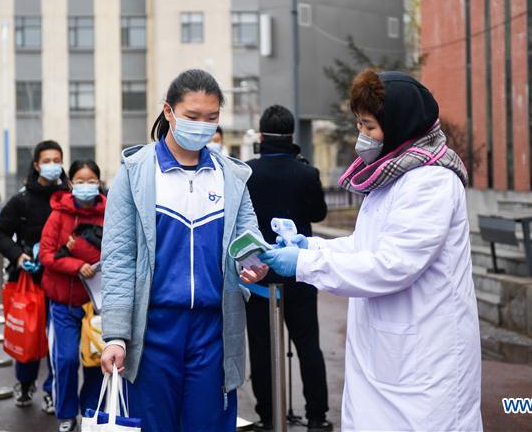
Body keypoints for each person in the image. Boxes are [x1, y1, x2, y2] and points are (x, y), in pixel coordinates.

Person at [254, 70, 482, 431]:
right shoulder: (391, 178)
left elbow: (392, 265)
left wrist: (305, 263)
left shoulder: (430, 181)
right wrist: (308, 244)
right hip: (388, 355)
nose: (363, 135)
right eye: (359, 124)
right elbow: (366, 247)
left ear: (400, 125)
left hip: (425, 362)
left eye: (370, 126)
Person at [100, 69, 259, 432]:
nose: (202, 126)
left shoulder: (232, 177)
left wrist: (253, 267)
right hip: (153, 330)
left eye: (211, 118)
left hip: (213, 329)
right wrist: (115, 335)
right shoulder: (136, 172)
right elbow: (119, 258)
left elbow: (249, 244)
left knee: (208, 425)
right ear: (168, 112)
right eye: (192, 116)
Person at [243, 105, 331, 432]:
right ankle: (317, 417)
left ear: (262, 136)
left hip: (258, 273)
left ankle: (269, 416)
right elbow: (319, 214)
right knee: (308, 346)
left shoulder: (248, 172)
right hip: (299, 271)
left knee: (263, 350)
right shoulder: (306, 173)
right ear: (292, 136)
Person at [0, 140, 70, 414]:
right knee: (27, 333)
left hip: (61, 281)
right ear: (36, 165)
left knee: (56, 340)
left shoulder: (68, 197)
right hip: (28, 280)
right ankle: (25, 383)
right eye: (47, 160)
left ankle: (51, 390)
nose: (53, 165)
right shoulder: (21, 200)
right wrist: (19, 256)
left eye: (57, 159)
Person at [39, 159, 105, 432]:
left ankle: (90, 411)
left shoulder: (111, 211)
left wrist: (76, 247)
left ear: (99, 183)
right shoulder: (58, 214)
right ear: (70, 184)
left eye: (91, 181)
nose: (86, 186)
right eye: (80, 181)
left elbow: (114, 255)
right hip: (64, 302)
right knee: (65, 360)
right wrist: (77, 265)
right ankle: (66, 413)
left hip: (97, 305)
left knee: (95, 361)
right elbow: (46, 255)